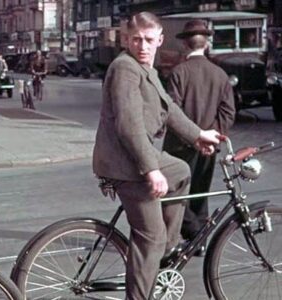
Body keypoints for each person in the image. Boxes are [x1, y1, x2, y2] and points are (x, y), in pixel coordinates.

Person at [92, 12, 221, 299]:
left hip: (133, 156)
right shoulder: (125, 68)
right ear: (126, 39)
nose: (142, 45)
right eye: (136, 39)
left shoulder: (145, 69)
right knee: (150, 238)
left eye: (149, 40)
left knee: (181, 172)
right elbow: (129, 125)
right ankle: (147, 274)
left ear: (160, 40)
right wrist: (151, 170)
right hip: (126, 163)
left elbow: (169, 108)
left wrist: (199, 134)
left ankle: (165, 251)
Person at [163, 19, 236, 255]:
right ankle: (200, 240)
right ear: (206, 44)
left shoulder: (178, 73)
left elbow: (172, 111)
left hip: (180, 146)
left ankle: (195, 235)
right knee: (200, 193)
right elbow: (228, 112)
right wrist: (212, 136)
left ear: (185, 44)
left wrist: (193, 136)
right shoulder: (220, 74)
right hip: (209, 146)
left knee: (174, 195)